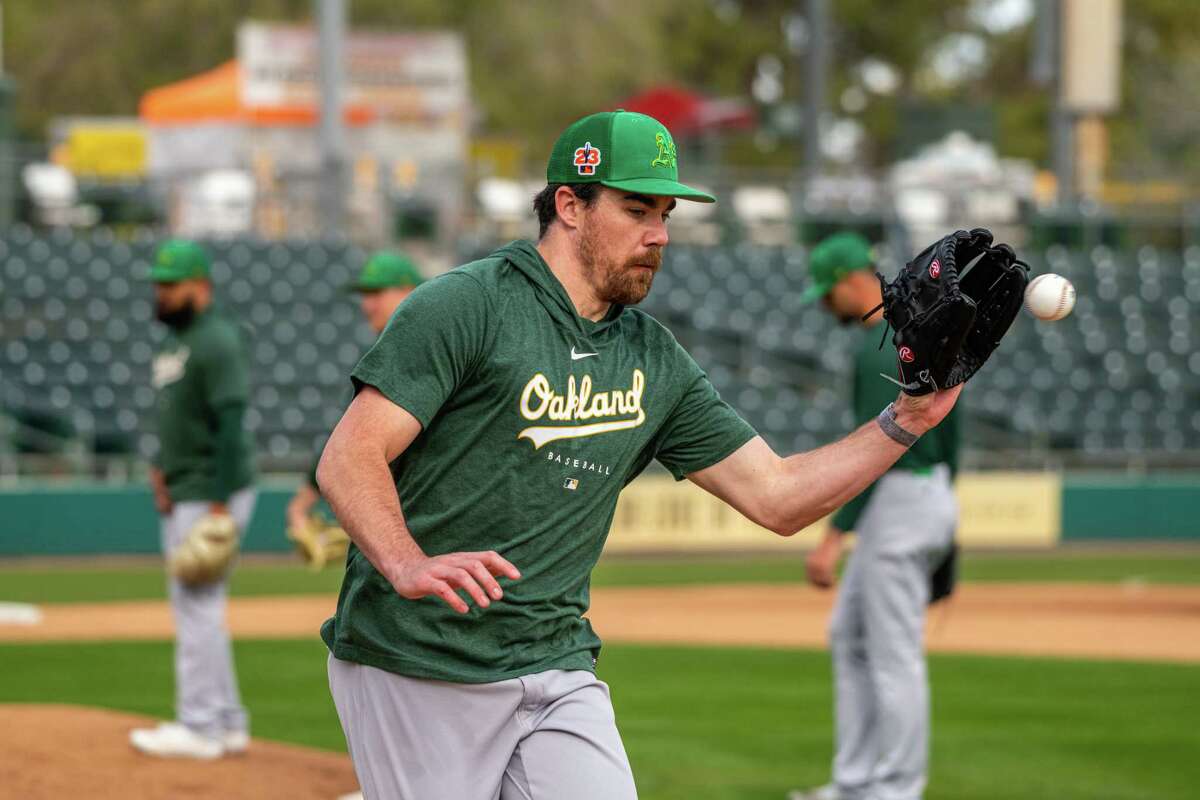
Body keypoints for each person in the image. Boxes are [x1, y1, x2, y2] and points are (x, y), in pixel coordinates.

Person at [316, 110, 962, 799]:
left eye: (665, 214)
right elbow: (348, 456)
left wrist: (905, 419)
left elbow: (777, 496)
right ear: (570, 205)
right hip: (416, 659)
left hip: (556, 661)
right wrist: (405, 560)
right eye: (635, 209)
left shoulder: (654, 360)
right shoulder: (467, 306)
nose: (658, 235)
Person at [788, 233, 960, 800]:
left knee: (893, 654)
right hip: (925, 496)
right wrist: (947, 513)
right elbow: (951, 430)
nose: (824, 305)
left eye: (826, 292)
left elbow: (875, 457)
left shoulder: (878, 343)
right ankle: (856, 781)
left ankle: (895, 789)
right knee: (852, 634)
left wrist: (833, 537)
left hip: (899, 498)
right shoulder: (920, 332)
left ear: (848, 281)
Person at [130, 239, 258, 760]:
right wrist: (162, 469)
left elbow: (230, 422)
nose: (160, 292)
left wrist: (220, 502)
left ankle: (199, 726)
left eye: (170, 283)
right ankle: (227, 723)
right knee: (203, 609)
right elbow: (176, 416)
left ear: (200, 286)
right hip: (185, 485)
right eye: (157, 282)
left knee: (195, 609)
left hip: (209, 488)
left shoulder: (216, 340)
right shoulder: (175, 341)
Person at [285, 251, 425, 533]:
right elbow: (346, 432)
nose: (367, 304)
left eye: (376, 293)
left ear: (409, 291)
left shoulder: (429, 347)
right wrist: (302, 503)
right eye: (364, 295)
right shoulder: (381, 350)